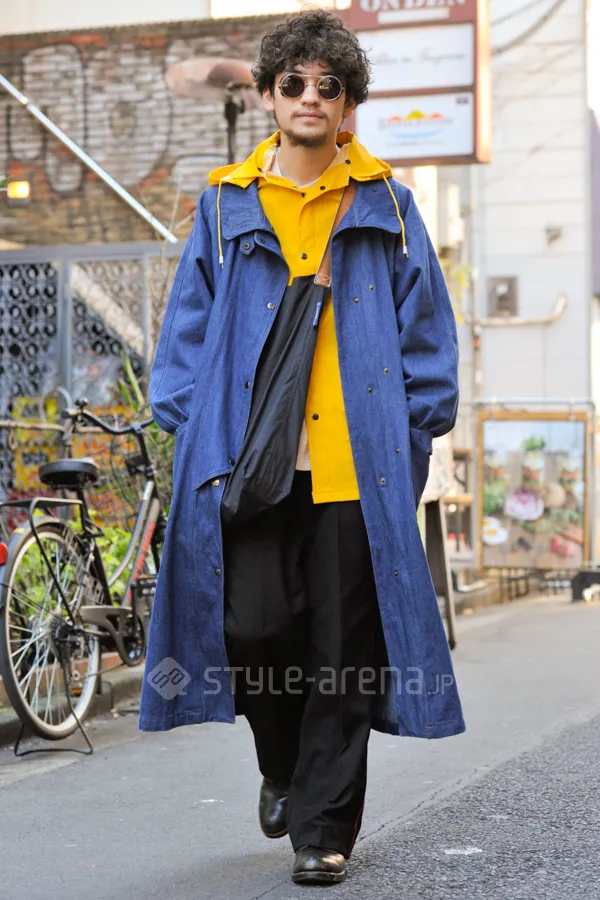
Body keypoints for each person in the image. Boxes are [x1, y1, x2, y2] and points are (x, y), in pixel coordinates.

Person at [139, 9, 465, 886]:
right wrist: (188, 422)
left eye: (329, 85)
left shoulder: (389, 205)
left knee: (342, 654)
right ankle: (282, 766)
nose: (311, 97)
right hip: (248, 463)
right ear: (270, 97)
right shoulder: (226, 205)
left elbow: (426, 333)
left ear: (349, 102)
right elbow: (186, 332)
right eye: (294, 84)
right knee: (253, 629)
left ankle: (322, 828)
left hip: (358, 467)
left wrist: (416, 425)